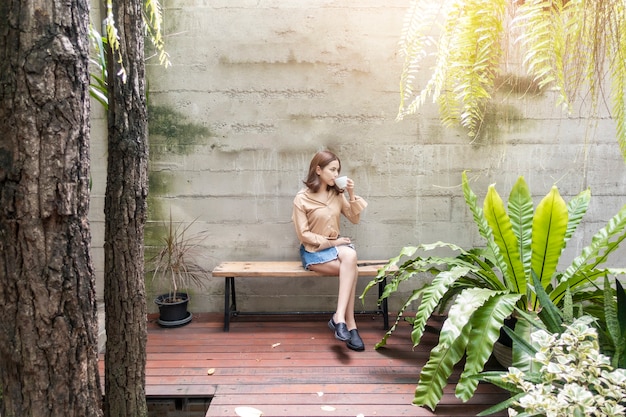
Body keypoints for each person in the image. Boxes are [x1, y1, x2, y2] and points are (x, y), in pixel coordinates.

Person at [292, 150, 368, 351]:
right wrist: (333, 243)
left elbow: (354, 218)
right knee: (352, 270)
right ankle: (350, 325)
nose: (336, 174)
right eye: (332, 169)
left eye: (338, 170)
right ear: (318, 170)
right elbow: (304, 235)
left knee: (350, 255)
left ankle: (339, 318)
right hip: (314, 251)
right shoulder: (301, 198)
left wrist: (351, 194)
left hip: (337, 250)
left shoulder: (337, 194)